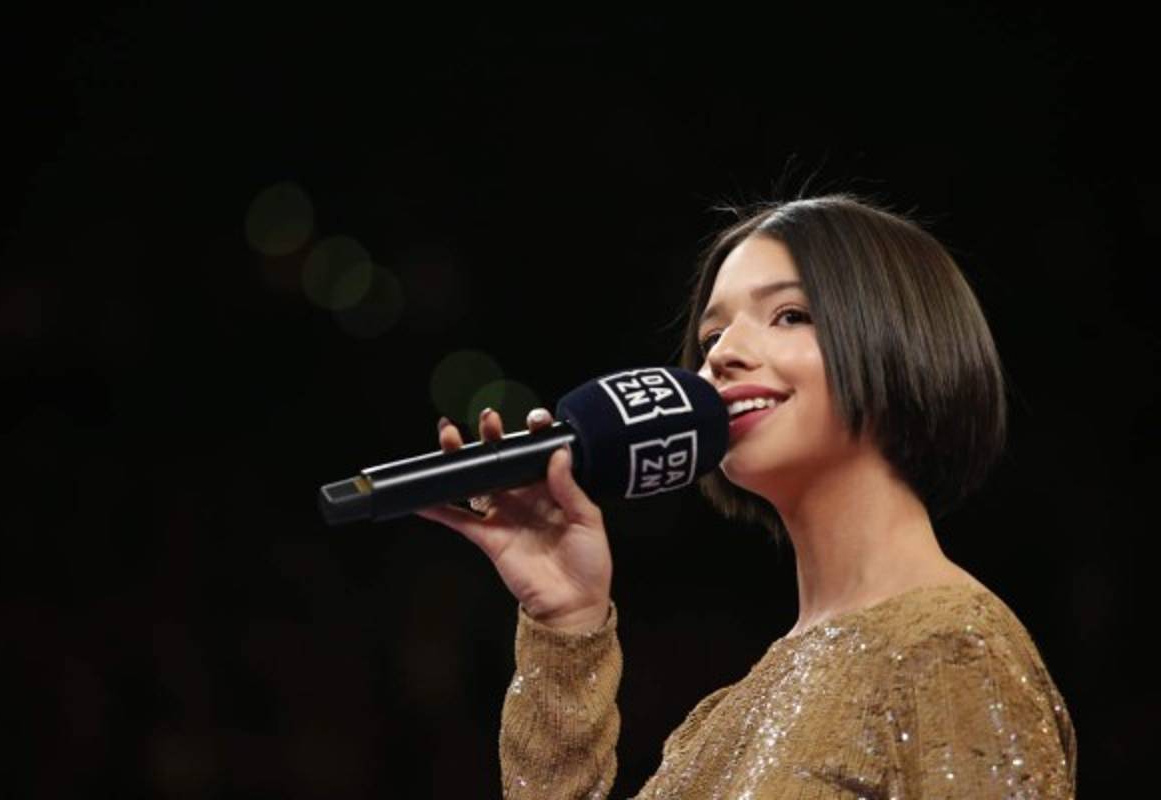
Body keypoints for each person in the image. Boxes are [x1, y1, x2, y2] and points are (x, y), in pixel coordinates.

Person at [415, 193, 1077, 799]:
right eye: (711, 338)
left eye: (789, 315)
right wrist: (566, 624)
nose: (722, 356)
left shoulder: (951, 648)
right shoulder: (720, 721)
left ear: (902, 343)